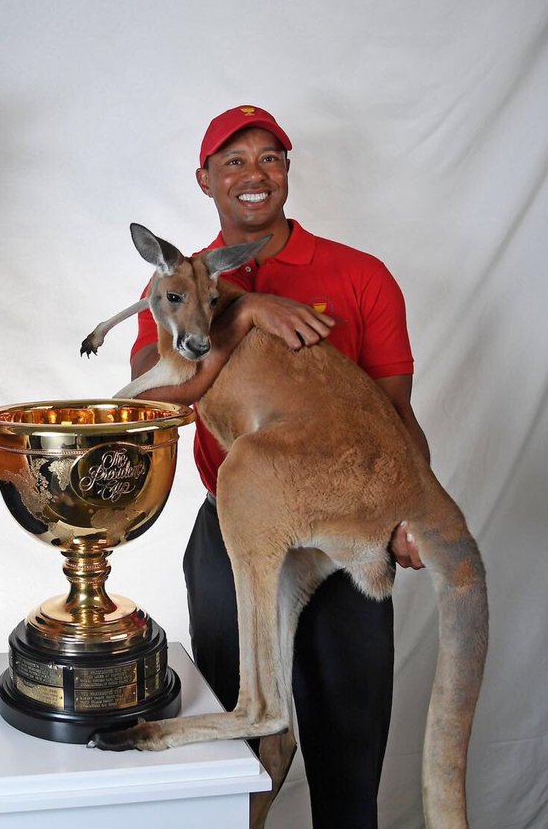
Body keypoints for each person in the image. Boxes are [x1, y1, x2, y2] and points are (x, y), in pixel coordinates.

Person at [130, 104, 428, 828]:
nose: (253, 174)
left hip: (340, 530)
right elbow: (152, 384)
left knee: (348, 758)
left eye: (270, 157)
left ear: (287, 172)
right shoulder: (178, 282)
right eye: (233, 161)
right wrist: (245, 308)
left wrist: (413, 508)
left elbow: (395, 414)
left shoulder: (361, 275)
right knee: (244, 758)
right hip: (237, 528)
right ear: (204, 180)